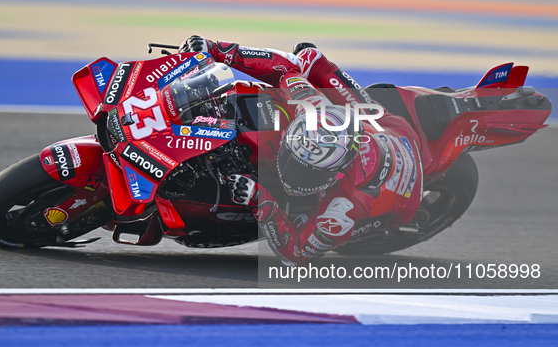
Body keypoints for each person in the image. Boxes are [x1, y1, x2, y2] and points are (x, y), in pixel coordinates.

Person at [179, 36, 423, 266]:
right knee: (309, 58)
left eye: (306, 173)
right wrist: (215, 49)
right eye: (292, 158)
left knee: (389, 215)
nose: (291, 174)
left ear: (335, 174)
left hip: (405, 189)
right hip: (386, 127)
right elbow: (285, 67)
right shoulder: (310, 104)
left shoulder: (343, 208)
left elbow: (297, 256)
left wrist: (261, 200)